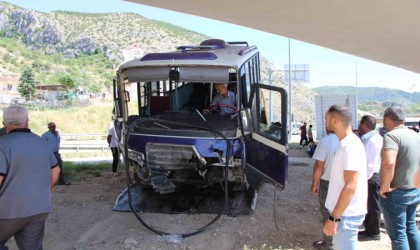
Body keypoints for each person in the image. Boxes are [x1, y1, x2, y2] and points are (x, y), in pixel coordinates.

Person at [0, 105, 60, 249]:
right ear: (27, 122)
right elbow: (55, 171)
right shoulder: (42, 142)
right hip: (38, 208)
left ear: (4, 124)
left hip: (8, 211)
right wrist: (42, 192)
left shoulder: (3, 144)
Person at [323, 104, 368, 250]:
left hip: (345, 215)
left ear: (335, 121)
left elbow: (351, 186)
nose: (325, 123)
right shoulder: (346, 143)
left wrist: (334, 218)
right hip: (344, 214)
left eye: (326, 119)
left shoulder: (350, 146)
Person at [379, 107, 420, 249]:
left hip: (396, 192)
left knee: (398, 235)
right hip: (414, 190)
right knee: (411, 229)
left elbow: (389, 163)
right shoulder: (416, 136)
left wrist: (385, 186)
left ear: (387, 119)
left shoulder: (391, 136)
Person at [310, 132, 339, 250]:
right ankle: (340, 241)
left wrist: (314, 184)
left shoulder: (326, 141)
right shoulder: (352, 140)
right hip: (345, 183)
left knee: (328, 211)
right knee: (342, 211)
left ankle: (329, 244)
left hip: (328, 183)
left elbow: (319, 166)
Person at [357, 115, 383, 241]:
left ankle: (373, 232)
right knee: (368, 204)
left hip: (371, 176)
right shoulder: (370, 138)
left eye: (360, 123)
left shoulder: (373, 140)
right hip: (369, 176)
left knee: (373, 205)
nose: (359, 126)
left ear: (365, 125)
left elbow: (370, 163)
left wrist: (364, 179)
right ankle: (368, 228)